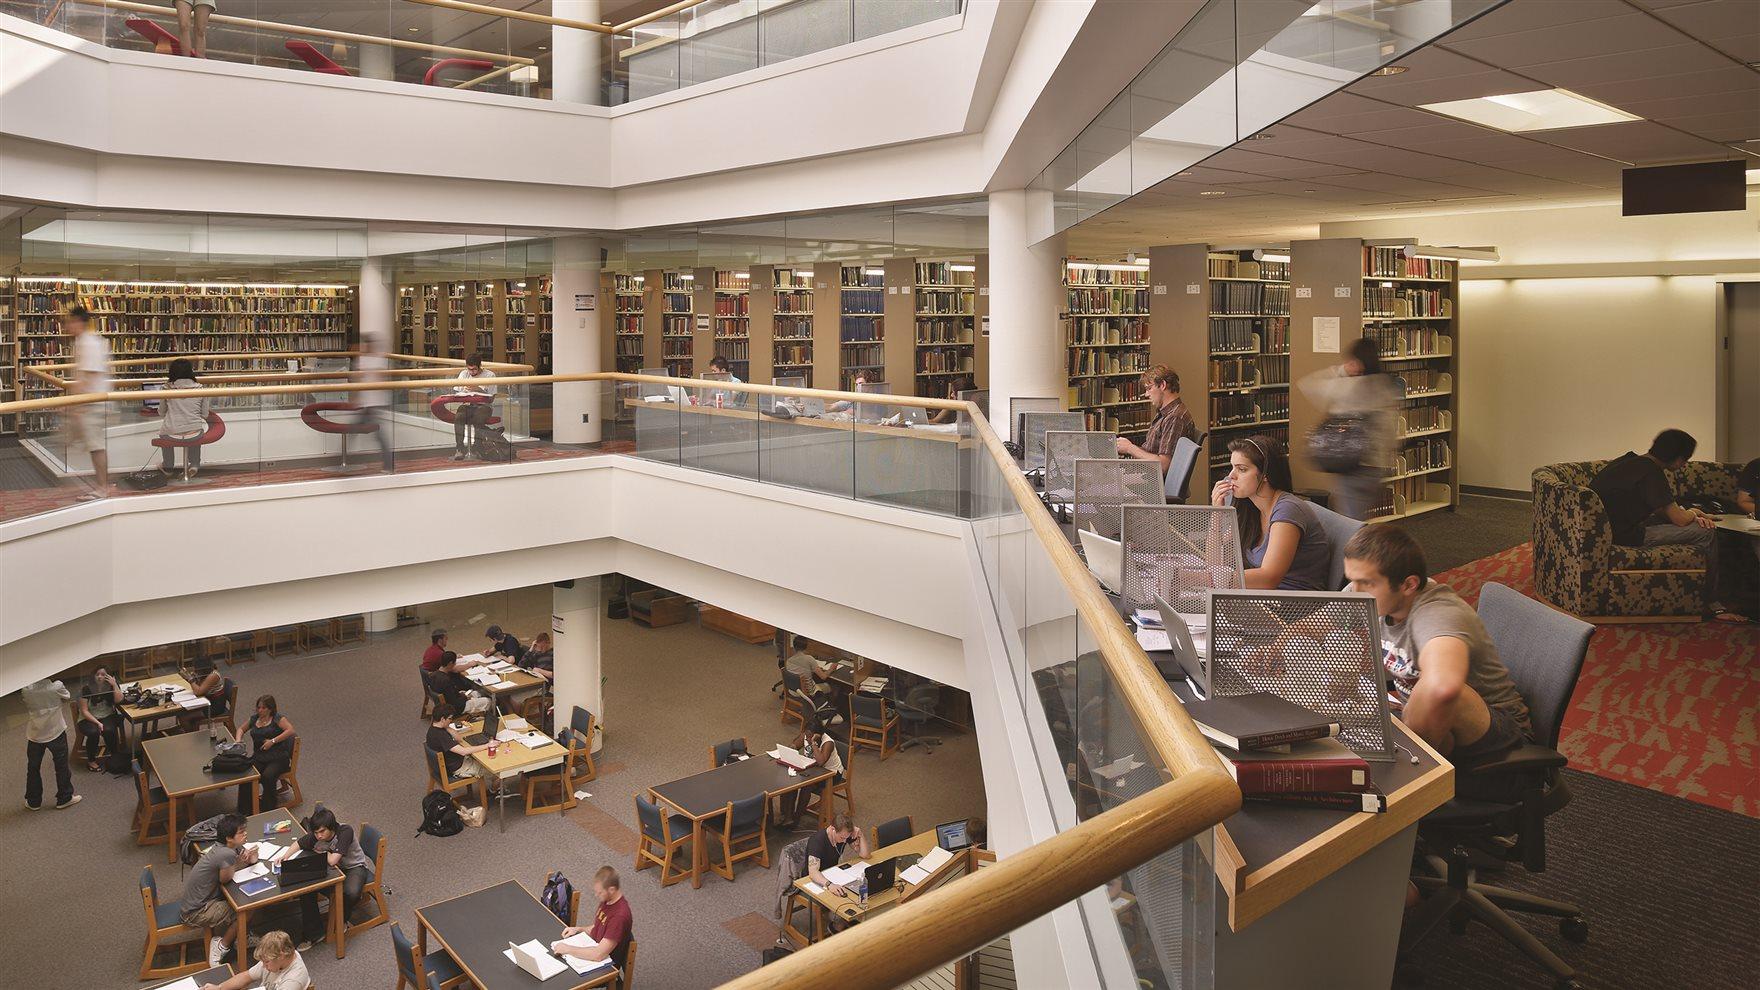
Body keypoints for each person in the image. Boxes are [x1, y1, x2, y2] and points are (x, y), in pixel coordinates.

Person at [1342, 526, 1531, 785]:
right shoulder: (1366, 594)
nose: (1355, 590)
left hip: (1502, 741)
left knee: (1440, 691)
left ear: (1409, 584)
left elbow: (1443, 688)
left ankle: (1411, 782)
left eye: (1367, 582)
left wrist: (1406, 730)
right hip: (1437, 728)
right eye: (1352, 580)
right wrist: (1279, 645)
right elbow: (1320, 622)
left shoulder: (1437, 613)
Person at [1589, 429, 1746, 623]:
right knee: (1705, 532)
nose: (1684, 464)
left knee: (1690, 524)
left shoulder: (1629, 461)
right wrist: (1695, 513)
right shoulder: (1652, 472)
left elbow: (1661, 509)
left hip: (1605, 532)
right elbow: (1679, 519)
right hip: (1626, 535)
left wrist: (1687, 515)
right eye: (1684, 459)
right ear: (1677, 457)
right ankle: (1714, 605)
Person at [1210, 434, 1332, 590]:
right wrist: (1216, 515)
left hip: (1293, 605)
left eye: (1242, 469)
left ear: (1265, 475)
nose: (1231, 476)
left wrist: (1208, 579)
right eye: (1232, 467)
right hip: (1262, 598)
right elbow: (1214, 563)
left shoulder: (1287, 510)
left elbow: (1268, 578)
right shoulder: (1251, 510)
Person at [1298, 337, 1398, 520]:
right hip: (1376, 466)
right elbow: (1391, 433)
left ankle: (1356, 548)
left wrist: (1342, 370)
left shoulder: (1349, 388)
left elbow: (1308, 384)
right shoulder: (1384, 386)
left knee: (1348, 521)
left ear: (1358, 362)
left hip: (1352, 465)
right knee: (1356, 517)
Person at [182, 813, 257, 967]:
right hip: (197, 911)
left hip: (201, 900)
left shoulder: (227, 847)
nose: (245, 834)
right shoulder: (227, 853)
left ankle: (241, 934)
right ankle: (222, 944)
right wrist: (238, 862)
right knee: (247, 909)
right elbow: (225, 879)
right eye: (241, 832)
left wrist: (251, 855)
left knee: (243, 901)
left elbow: (251, 861)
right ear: (229, 838)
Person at [295, 806, 373, 952]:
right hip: (336, 868)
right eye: (316, 833)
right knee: (306, 888)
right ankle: (313, 933)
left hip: (354, 867)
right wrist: (284, 857)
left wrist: (319, 850)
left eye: (322, 832)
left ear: (331, 828)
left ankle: (342, 919)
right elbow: (300, 843)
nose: (318, 836)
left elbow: (333, 860)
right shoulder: (319, 834)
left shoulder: (345, 831)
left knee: (350, 893)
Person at [63, 304, 112, 498]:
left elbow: (88, 376)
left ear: (78, 322)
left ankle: (103, 488)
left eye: (69, 322)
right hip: (91, 400)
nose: (67, 327)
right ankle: (102, 486)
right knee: (93, 444)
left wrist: (75, 403)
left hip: (94, 401)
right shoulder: (84, 341)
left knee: (96, 446)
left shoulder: (88, 343)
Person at [1115, 364, 1198, 476]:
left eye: (1149, 388)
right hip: (1147, 477)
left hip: (1154, 484)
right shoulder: (1165, 413)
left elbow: (1163, 466)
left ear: (1163, 385)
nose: (1146, 394)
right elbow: (1151, 452)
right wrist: (1127, 447)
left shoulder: (1174, 418)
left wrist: (1130, 448)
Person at [551, 866, 634, 969]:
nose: (596, 895)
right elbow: (599, 927)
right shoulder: (608, 900)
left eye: (599, 892)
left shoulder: (619, 917)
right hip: (593, 947)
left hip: (604, 964)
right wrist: (579, 929)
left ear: (611, 889)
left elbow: (598, 955)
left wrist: (568, 949)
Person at [22, 677, 80, 810]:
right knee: (61, 766)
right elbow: (67, 695)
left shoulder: (26, 690)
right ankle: (65, 798)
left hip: (35, 734)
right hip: (56, 731)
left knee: (33, 768)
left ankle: (33, 801)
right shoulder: (56, 686)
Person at [234, 695, 296, 813]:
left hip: (277, 757)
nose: (260, 710)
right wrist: (238, 740)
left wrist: (272, 741)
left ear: (270, 709)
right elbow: (241, 729)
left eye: (263, 708)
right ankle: (246, 809)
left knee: (268, 776)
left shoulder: (278, 718)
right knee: (247, 776)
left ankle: (268, 808)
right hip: (260, 756)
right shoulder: (254, 719)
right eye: (258, 707)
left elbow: (290, 730)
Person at [781, 714, 845, 826]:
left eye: (811, 736)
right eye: (807, 735)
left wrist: (813, 743)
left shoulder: (827, 743)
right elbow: (794, 745)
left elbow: (821, 761)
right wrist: (791, 748)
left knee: (807, 785)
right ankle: (788, 816)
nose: (807, 738)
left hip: (831, 773)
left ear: (818, 735)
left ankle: (797, 817)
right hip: (813, 769)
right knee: (792, 781)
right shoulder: (805, 735)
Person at [154, 358, 210, 477]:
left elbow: (161, 412)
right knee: (195, 431)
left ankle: (168, 467)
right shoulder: (200, 388)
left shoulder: (166, 388)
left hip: (172, 433)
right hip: (194, 433)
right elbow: (205, 414)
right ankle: (194, 464)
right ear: (191, 371)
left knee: (164, 433)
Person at [201, 930, 309, 990]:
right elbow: (246, 976)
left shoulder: (293, 981)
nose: (263, 966)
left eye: (266, 962)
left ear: (281, 956)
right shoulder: (274, 958)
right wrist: (219, 988)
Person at [805, 813, 871, 898]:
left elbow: (865, 854)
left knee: (853, 893)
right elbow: (813, 872)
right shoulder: (817, 841)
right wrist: (829, 885)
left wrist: (860, 834)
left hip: (833, 874)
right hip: (815, 880)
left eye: (846, 838)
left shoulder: (845, 834)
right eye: (842, 838)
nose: (845, 841)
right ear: (833, 829)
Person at [75, 663, 125, 772]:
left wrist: (114, 684)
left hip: (107, 715)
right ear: (94, 676)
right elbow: (84, 711)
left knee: (109, 730)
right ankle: (91, 760)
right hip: (88, 718)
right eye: (97, 674)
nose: (100, 677)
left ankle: (114, 755)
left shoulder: (111, 686)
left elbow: (119, 700)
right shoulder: (86, 689)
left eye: (103, 675)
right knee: (94, 732)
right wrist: (97, 723)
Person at [425, 704, 492, 780]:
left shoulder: (434, 728)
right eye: (450, 719)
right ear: (443, 719)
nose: (451, 721)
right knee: (493, 769)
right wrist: (487, 745)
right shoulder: (441, 736)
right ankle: (494, 790)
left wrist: (447, 726)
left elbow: (458, 738)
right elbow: (463, 751)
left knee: (483, 757)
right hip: (459, 767)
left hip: (456, 761)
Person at [452, 353, 496, 460]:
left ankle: (478, 447)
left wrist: (479, 389)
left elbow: (491, 399)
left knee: (478, 418)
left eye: (474, 369)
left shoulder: (490, 375)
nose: (471, 372)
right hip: (467, 405)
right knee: (458, 417)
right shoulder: (463, 374)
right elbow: (457, 394)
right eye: (469, 369)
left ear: (480, 366)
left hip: (484, 406)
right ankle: (459, 449)